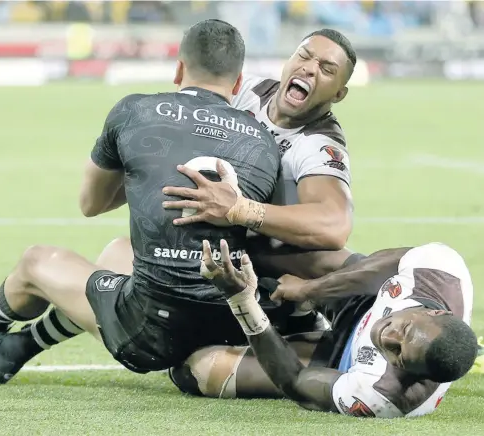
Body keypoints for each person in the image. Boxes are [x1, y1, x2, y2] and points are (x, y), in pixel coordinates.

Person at [0, 19, 287, 384]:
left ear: (179, 68)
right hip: (231, 324)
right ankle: (14, 349)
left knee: (37, 261)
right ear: (237, 80)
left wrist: (148, 172)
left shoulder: (135, 111)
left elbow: (91, 203)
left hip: (152, 332)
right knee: (118, 254)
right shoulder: (263, 140)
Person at [100, 28, 363, 332]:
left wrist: (239, 210)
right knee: (117, 254)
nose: (310, 68)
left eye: (326, 69)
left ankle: (328, 323)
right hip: (201, 240)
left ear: (338, 94)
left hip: (264, 255)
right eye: (304, 56)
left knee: (341, 263)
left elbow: (334, 224)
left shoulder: (318, 143)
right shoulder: (244, 91)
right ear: (289, 60)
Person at [170, 240, 478, 418]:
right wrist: (309, 290)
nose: (388, 337)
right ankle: (299, 307)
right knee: (262, 246)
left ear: (412, 374)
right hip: (364, 300)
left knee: (197, 371)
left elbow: (296, 381)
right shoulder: (441, 271)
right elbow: (382, 263)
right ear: (437, 311)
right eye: (406, 329)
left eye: (397, 354)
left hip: (345, 361)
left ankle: (291, 321)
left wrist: (241, 301)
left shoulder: (380, 396)